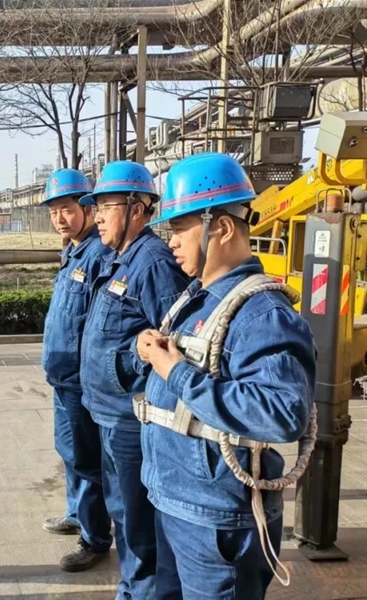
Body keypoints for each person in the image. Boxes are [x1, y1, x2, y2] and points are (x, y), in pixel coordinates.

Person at [133, 152, 316, 599]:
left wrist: (177, 373)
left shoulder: (263, 314)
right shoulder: (198, 297)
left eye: (180, 228)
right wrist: (149, 350)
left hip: (217, 520)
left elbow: (282, 414)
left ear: (222, 227)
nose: (172, 242)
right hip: (177, 500)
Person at [78, 161, 190, 598]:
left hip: (130, 418)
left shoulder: (153, 263)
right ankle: (133, 587)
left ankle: (144, 591)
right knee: (123, 513)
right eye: (97, 208)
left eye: (106, 206)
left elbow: (174, 340)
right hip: (108, 413)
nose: (98, 217)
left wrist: (130, 367)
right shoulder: (119, 260)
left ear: (137, 208)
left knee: (137, 521)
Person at [39, 168, 114, 572]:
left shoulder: (99, 254)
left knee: (86, 459)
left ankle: (95, 537)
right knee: (68, 452)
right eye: (54, 212)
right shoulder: (74, 252)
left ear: (87, 208)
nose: (60, 219)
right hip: (62, 378)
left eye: (67, 210)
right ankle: (76, 513)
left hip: (82, 383)